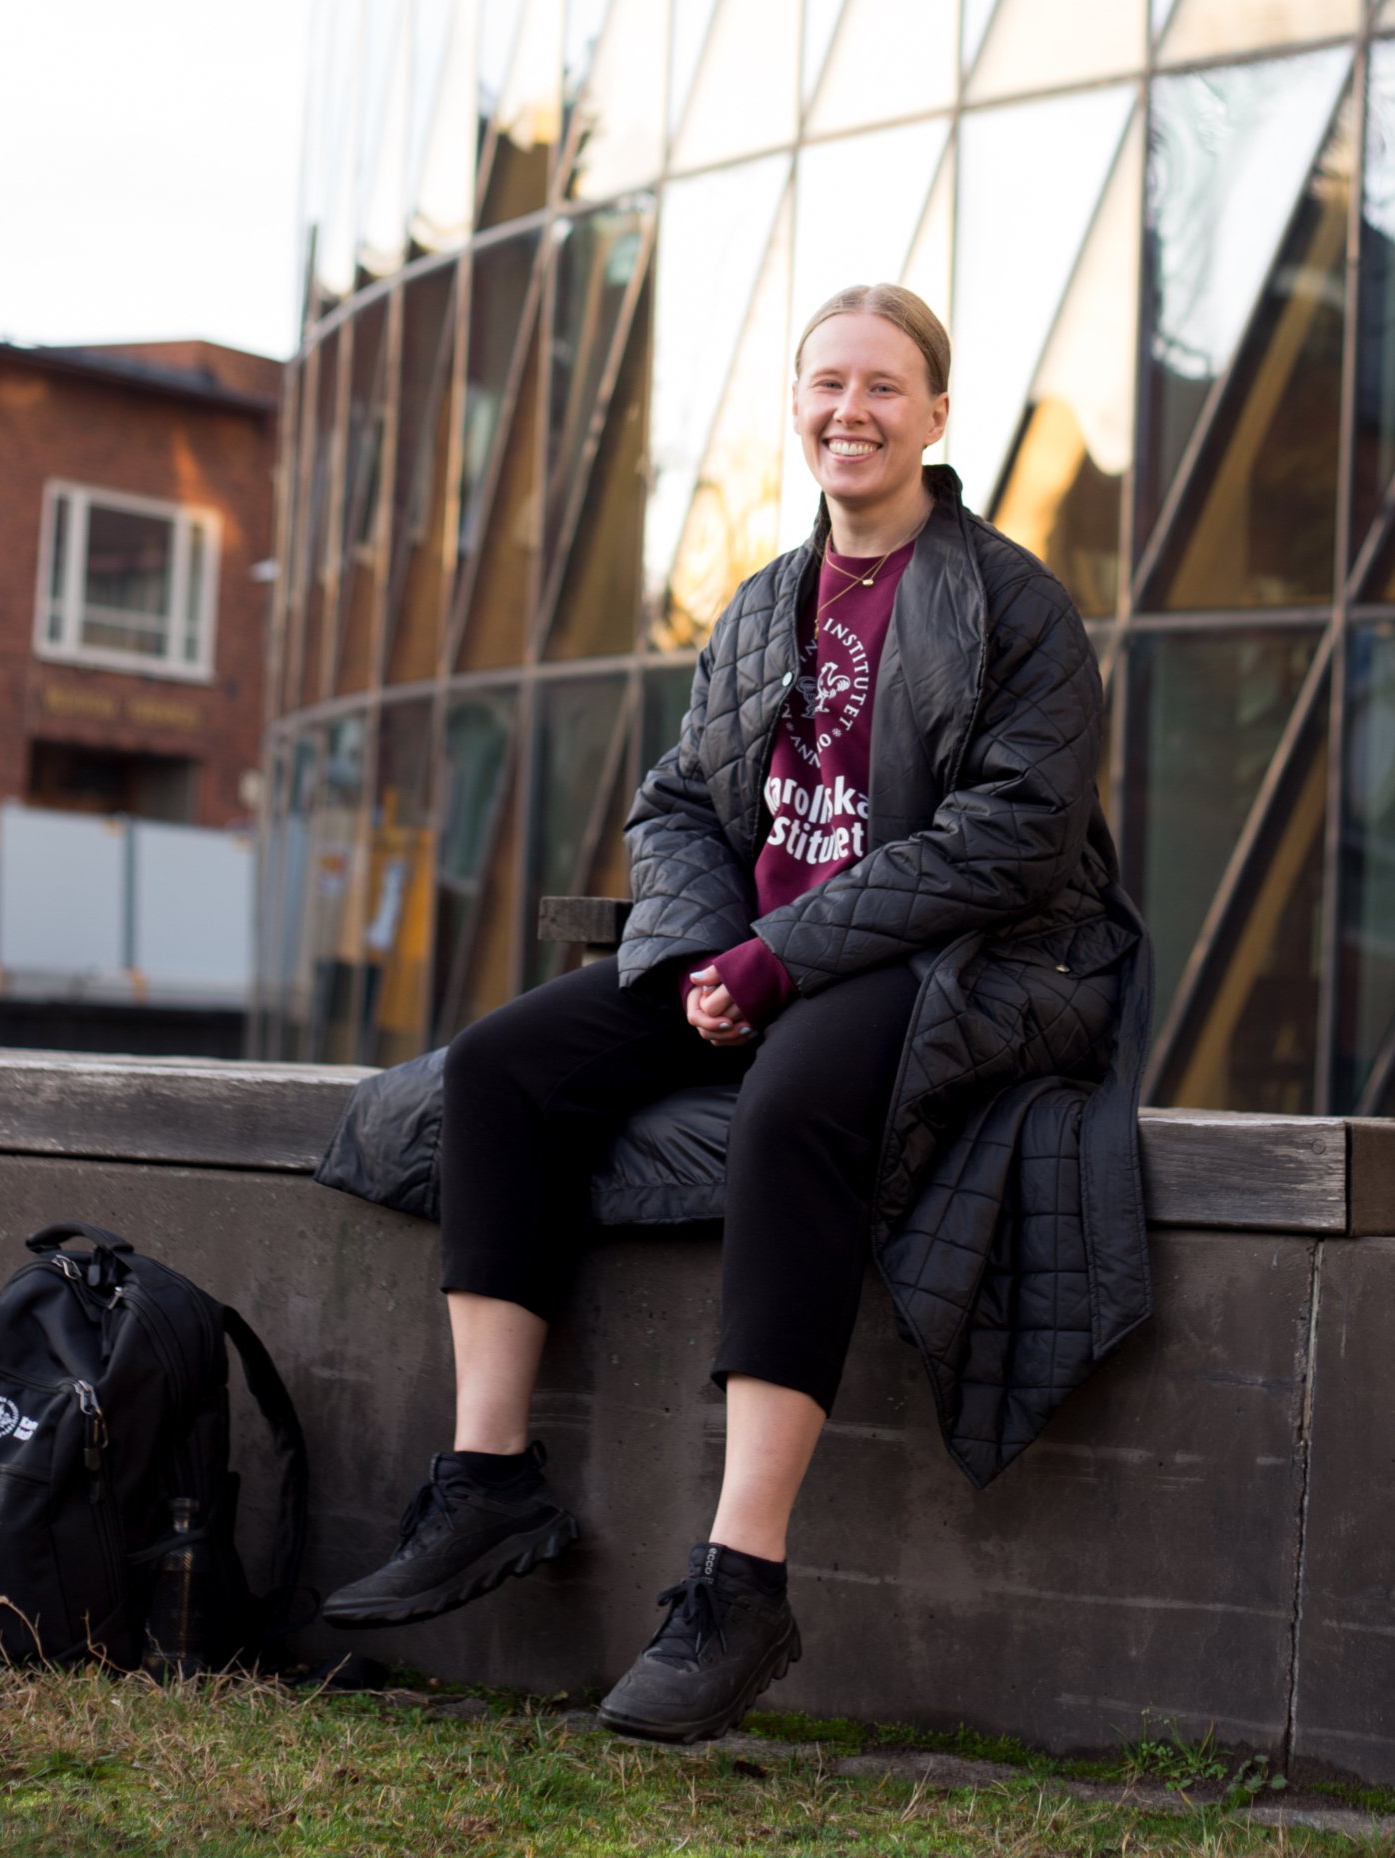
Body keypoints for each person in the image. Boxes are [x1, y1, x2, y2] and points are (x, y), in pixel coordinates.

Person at [320, 283, 1150, 1744]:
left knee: (795, 1102)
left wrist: (778, 962)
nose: (853, 409)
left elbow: (1008, 842)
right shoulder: (765, 604)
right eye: (828, 382)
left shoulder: (1012, 604)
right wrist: (708, 951)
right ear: (797, 403)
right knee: (506, 1068)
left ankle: (740, 1576)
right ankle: (488, 1476)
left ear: (939, 416)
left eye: (886, 387)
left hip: (963, 962)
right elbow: (678, 805)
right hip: (763, 954)